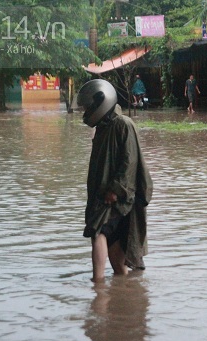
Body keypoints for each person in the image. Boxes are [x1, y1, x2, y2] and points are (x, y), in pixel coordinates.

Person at [77, 79, 153, 282]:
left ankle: (98, 285)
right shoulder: (103, 128)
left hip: (117, 197)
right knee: (115, 254)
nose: (86, 111)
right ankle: (124, 290)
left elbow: (130, 162)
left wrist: (115, 190)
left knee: (98, 231)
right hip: (104, 194)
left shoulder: (123, 124)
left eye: (88, 107)